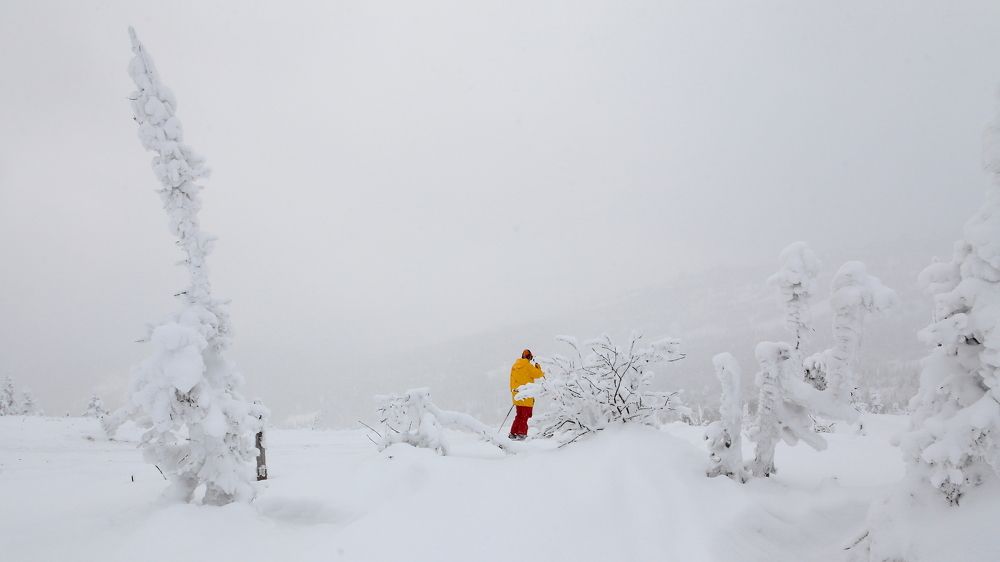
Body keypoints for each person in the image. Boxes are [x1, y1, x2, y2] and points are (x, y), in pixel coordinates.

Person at [509, 349, 544, 440]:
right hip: (526, 395)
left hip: (517, 395)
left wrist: (513, 392)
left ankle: (513, 433)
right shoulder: (528, 366)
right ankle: (521, 434)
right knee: (525, 416)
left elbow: (511, 380)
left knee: (519, 415)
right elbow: (539, 374)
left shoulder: (515, 366)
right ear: (530, 357)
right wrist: (538, 367)